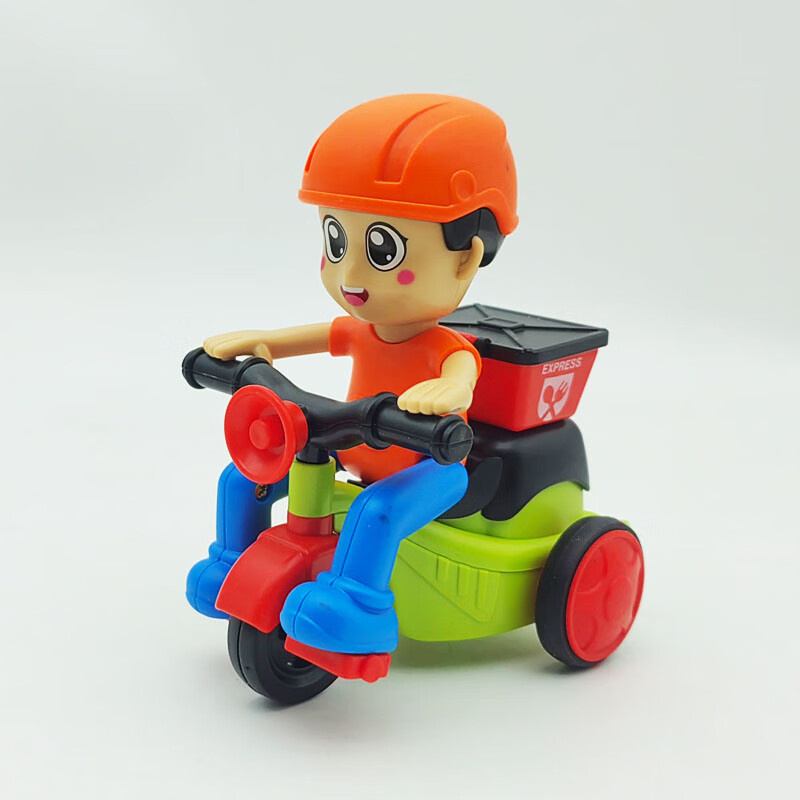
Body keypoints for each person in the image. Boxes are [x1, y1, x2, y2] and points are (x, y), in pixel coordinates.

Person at [187, 93, 518, 656]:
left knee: (376, 509)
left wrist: (451, 390)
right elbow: (315, 336)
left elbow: (462, 373)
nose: (351, 275)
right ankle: (232, 561)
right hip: (354, 446)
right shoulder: (362, 330)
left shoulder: (446, 347)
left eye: (382, 250)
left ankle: (361, 606)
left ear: (465, 259)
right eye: (336, 242)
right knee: (242, 478)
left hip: (431, 464)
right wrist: (262, 345)